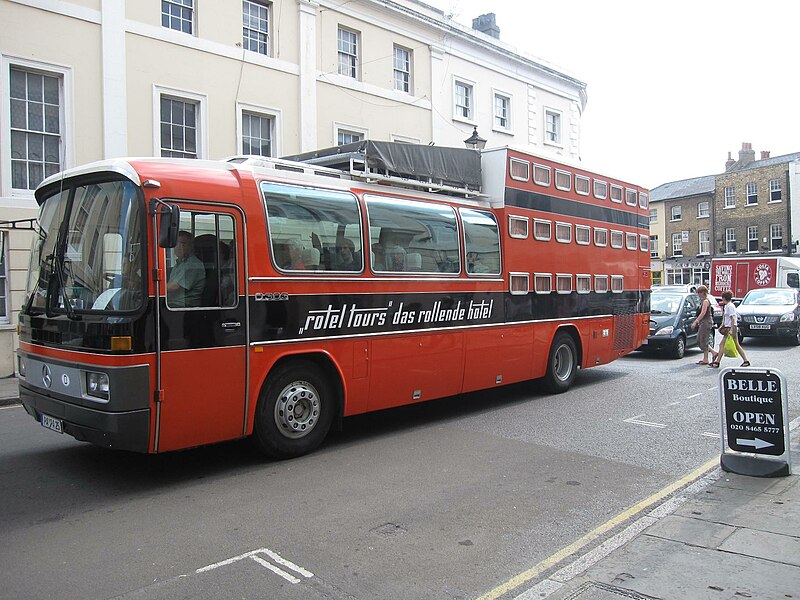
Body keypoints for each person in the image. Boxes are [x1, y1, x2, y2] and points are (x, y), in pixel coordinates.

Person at [710, 290, 750, 368]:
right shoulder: (728, 305)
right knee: (734, 345)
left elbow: (732, 318)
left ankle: (717, 362)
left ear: (724, 298)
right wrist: (722, 325)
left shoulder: (730, 306)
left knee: (724, 345)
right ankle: (745, 361)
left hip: (730, 328)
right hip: (730, 327)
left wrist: (731, 329)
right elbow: (727, 318)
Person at [166, 231, 205, 308]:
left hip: (184, 306)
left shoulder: (193, 264)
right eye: (176, 244)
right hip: (174, 303)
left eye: (183, 244)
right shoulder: (180, 263)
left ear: (191, 246)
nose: (178, 248)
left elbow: (174, 287)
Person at [690, 285, 716, 365]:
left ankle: (709, 356)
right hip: (704, 323)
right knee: (702, 340)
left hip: (706, 323)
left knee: (702, 340)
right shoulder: (703, 301)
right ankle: (710, 355)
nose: (698, 294)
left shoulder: (705, 301)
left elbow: (703, 313)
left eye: (699, 293)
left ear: (703, 292)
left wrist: (695, 322)